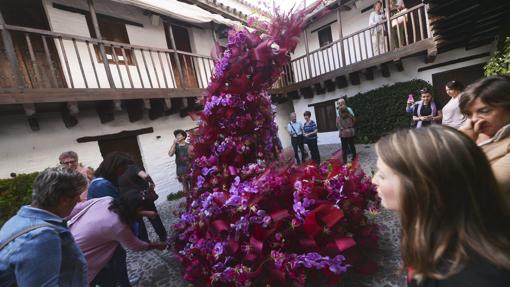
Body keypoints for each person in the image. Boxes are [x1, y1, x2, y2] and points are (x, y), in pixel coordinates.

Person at [373, 126, 510, 287]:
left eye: (382, 175)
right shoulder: (429, 229)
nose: (373, 181)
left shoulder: (476, 278)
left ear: (424, 188)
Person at [0, 166, 88, 286]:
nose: (79, 200)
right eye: (77, 195)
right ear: (64, 200)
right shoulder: (41, 236)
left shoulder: (18, 220)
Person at [68, 191, 166, 286]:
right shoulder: (118, 225)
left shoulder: (106, 200)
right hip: (81, 261)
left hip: (67, 242)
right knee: (107, 282)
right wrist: (157, 245)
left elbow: (74, 210)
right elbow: (136, 246)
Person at [459, 76, 510, 194]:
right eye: (469, 114)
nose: (474, 120)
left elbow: (479, 187)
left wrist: (463, 144)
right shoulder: (476, 133)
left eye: (484, 111)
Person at [118, 164, 167, 242]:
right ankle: (163, 237)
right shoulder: (132, 167)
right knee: (154, 217)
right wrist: (151, 183)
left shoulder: (116, 174)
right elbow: (145, 176)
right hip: (143, 197)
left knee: (138, 220)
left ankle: (144, 241)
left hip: (130, 201)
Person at [169, 129, 192, 195]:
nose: (177, 136)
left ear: (184, 137)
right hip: (181, 169)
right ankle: (188, 201)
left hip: (190, 168)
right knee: (185, 187)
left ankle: (194, 202)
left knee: (193, 185)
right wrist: (173, 144)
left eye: (179, 135)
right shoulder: (176, 146)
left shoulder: (189, 145)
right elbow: (170, 154)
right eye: (176, 136)